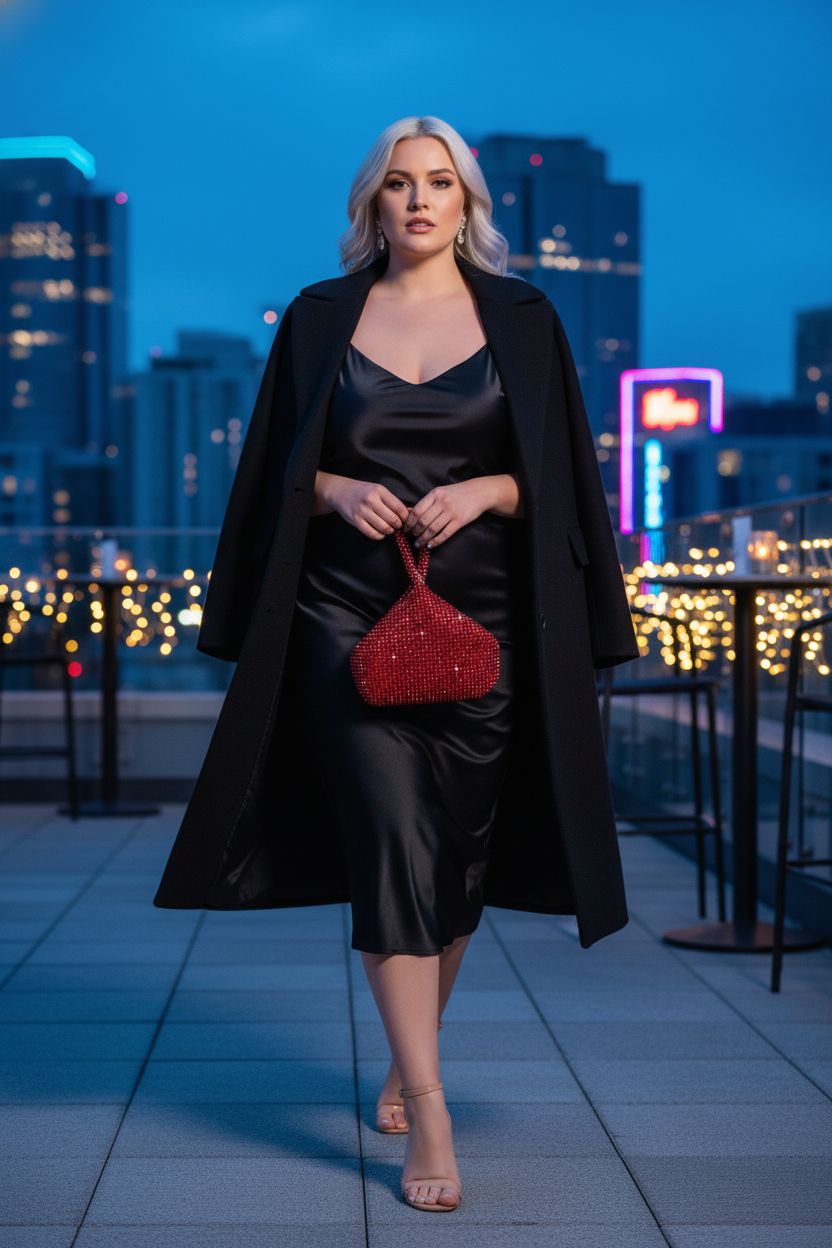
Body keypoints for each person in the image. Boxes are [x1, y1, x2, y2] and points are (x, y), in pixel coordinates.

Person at [153, 112, 641, 1215]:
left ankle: (405, 1052)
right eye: (396, 185)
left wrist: (488, 489)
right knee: (391, 841)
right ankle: (428, 1099)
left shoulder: (524, 316)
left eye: (439, 184)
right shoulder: (322, 316)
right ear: (371, 203)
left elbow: (559, 476)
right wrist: (330, 489)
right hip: (341, 614)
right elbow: (277, 465)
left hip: (488, 624)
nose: (417, 201)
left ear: (468, 204)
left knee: (456, 860)